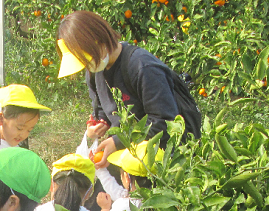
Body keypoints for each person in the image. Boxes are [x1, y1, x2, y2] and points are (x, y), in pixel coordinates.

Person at [56, 10, 200, 168]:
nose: (87, 65)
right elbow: (101, 105)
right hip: (130, 152)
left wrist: (117, 141)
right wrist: (100, 121)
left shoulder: (143, 68)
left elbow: (165, 123)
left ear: (99, 40)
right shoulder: (94, 70)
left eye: (87, 58)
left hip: (163, 156)